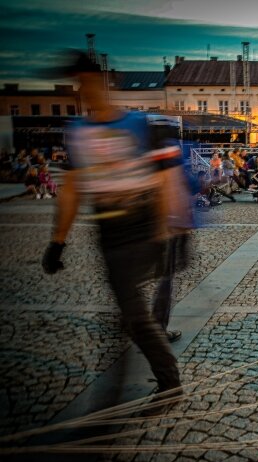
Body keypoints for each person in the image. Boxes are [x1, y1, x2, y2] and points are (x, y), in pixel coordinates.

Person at [41, 50, 181, 408]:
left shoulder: (141, 125)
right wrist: (58, 241)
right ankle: (135, 368)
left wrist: (166, 231)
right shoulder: (77, 133)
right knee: (127, 309)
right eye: (79, 84)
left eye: (89, 82)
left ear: (107, 83)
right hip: (108, 231)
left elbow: (166, 179)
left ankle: (169, 380)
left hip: (141, 221)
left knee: (131, 311)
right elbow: (72, 189)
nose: (85, 90)